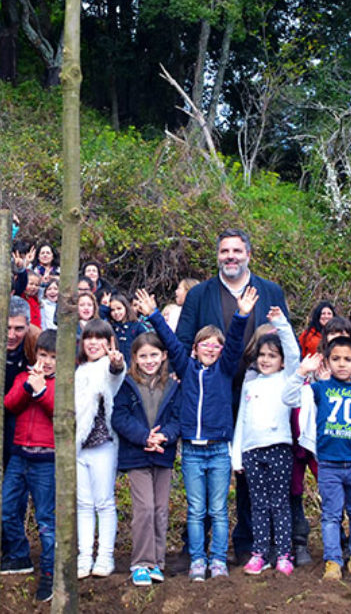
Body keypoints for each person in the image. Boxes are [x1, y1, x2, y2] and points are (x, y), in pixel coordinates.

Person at [176, 229, 291, 563]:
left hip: (259, 392)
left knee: (251, 469)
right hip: (211, 395)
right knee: (204, 469)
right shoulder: (200, 295)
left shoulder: (270, 291)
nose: (230, 256)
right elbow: (184, 339)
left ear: (248, 255)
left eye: (237, 251)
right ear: (218, 256)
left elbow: (284, 338)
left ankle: (249, 542)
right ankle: (195, 545)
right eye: (224, 251)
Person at [140, 285, 252, 580]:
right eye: (206, 344)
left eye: (217, 345)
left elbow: (235, 342)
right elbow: (170, 341)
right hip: (190, 450)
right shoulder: (186, 367)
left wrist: (241, 316)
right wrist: (153, 313)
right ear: (195, 347)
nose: (211, 349)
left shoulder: (225, 370)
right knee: (196, 510)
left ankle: (217, 559)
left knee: (217, 509)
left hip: (218, 449)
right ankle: (198, 560)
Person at [286, 337, 351, 583]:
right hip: (329, 463)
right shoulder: (319, 389)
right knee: (331, 514)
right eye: (336, 359)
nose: (341, 364)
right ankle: (333, 561)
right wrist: (301, 373)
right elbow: (289, 397)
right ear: (326, 361)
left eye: (347, 359)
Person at [230, 306, 300, 576]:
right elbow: (241, 423)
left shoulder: (286, 379)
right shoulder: (251, 384)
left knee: (279, 503)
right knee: (257, 504)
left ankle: (283, 552)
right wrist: (237, 456)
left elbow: (294, 353)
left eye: (272, 356)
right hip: (251, 451)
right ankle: (260, 552)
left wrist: (281, 323)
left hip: (279, 449)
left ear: (281, 361)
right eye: (262, 355)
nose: (266, 360)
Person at [112, 330, 181, 587]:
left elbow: (178, 419)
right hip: (137, 456)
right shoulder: (127, 385)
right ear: (135, 358)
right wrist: (144, 437)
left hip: (163, 455)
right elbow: (119, 417)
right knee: (144, 508)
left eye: (154, 355)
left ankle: (157, 563)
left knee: (161, 509)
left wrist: (163, 436)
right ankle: (141, 562)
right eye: (143, 356)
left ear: (164, 356)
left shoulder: (173, 386)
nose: (149, 360)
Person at [2, 328, 59, 603]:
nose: (46, 361)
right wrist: (29, 387)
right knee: (6, 509)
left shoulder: (64, 383)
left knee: (46, 520)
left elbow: (59, 411)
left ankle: (49, 572)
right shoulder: (24, 376)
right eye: (43, 354)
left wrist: (42, 391)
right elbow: (10, 404)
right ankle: (19, 554)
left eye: (52, 357)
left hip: (46, 460)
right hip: (19, 455)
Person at [75, 319, 127, 579]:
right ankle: (84, 556)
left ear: (109, 343)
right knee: (83, 503)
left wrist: (116, 362)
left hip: (103, 444)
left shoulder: (108, 365)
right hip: (78, 446)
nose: (93, 343)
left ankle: (105, 556)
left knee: (104, 502)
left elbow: (116, 373)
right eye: (89, 338)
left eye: (100, 338)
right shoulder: (76, 369)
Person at [105, 291, 147, 360]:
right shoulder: (109, 328)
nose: (116, 312)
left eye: (119, 308)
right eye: (112, 310)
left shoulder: (137, 326)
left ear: (126, 308)